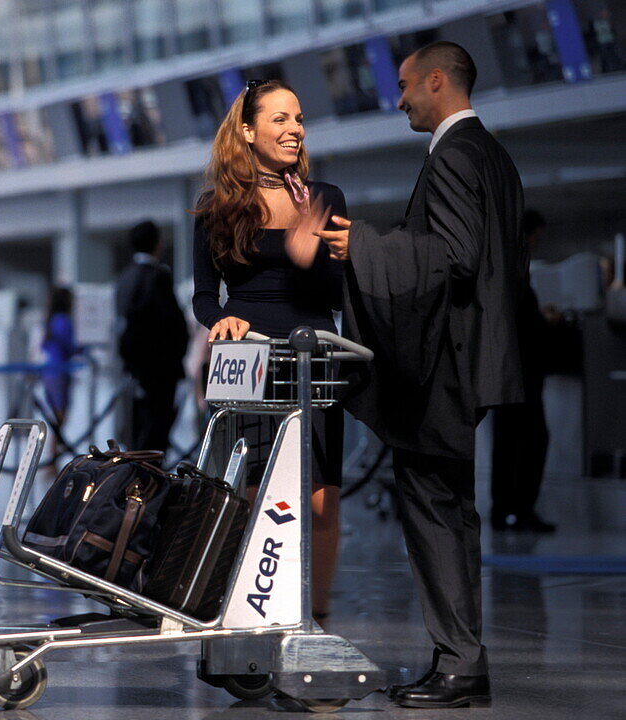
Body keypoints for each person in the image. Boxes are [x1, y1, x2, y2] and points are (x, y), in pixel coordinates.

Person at [316, 42, 526, 708]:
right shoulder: (494, 157)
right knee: (454, 515)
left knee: (435, 514)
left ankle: (459, 663)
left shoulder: (456, 156)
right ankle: (462, 656)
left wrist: (365, 245)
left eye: (406, 86)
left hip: (445, 369)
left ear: (438, 82)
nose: (398, 98)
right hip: (473, 365)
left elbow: (457, 258)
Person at [191, 79, 346, 620]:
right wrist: (221, 319)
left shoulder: (323, 197)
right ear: (249, 131)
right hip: (250, 357)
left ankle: (316, 619)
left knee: (321, 499)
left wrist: (314, 257)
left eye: (299, 119)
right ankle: (251, 607)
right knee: (254, 492)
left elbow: (338, 295)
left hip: (314, 354)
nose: (294, 129)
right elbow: (203, 298)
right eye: (280, 119)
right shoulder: (217, 207)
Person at [491, 210, 556, 533]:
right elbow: (526, 327)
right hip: (522, 374)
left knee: (508, 442)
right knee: (530, 440)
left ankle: (505, 509)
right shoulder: (517, 274)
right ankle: (520, 508)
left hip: (506, 373)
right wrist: (545, 322)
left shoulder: (504, 271)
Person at [116, 220, 189, 454]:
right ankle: (152, 483)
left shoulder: (124, 278)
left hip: (133, 368)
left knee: (136, 429)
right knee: (156, 432)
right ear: (157, 243)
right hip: (159, 370)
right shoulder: (158, 276)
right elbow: (172, 323)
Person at [41, 287, 79, 465]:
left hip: (50, 370)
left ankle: (53, 456)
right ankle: (52, 457)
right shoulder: (63, 320)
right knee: (60, 416)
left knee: (57, 417)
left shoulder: (51, 320)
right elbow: (69, 345)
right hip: (59, 371)